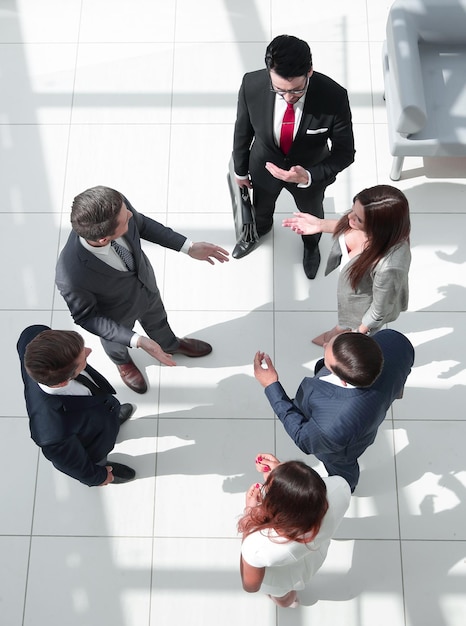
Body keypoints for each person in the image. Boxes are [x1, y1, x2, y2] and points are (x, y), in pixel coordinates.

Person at [55, 185, 229, 394]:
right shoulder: (71, 275)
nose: (130, 212)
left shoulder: (117, 205)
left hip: (146, 285)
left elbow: (142, 223)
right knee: (116, 345)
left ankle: (170, 344)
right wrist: (137, 340)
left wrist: (188, 247)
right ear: (103, 239)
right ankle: (123, 362)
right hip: (115, 316)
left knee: (159, 320)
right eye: (125, 217)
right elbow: (86, 317)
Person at [232, 34, 355, 277]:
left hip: (309, 175)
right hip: (263, 167)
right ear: (269, 73)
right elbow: (242, 130)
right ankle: (258, 232)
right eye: (280, 91)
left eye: (297, 91)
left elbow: (345, 152)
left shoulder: (334, 96)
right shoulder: (251, 84)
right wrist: (240, 169)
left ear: (310, 71)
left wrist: (308, 176)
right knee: (261, 209)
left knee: (312, 214)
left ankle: (311, 247)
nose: (289, 97)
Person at [253, 329, 415, 492]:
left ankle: (346, 488)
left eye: (327, 357)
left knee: (342, 471)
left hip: (343, 449)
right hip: (375, 407)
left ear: (343, 380)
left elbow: (304, 438)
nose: (324, 344)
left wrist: (271, 385)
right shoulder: (394, 341)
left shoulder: (330, 427)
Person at [283, 184, 411, 345]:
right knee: (343, 323)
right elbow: (346, 227)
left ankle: (336, 335)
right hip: (352, 295)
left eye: (358, 218)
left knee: (349, 329)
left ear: (378, 227)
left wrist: (357, 334)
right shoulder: (359, 223)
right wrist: (320, 225)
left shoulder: (390, 266)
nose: (349, 217)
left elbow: (378, 311)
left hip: (363, 307)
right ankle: (336, 332)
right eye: (352, 210)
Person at [17, 324, 136, 487]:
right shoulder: (53, 433)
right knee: (97, 459)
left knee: (109, 412)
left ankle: (112, 417)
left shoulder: (33, 336)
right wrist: (99, 477)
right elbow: (73, 464)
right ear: (65, 380)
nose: (88, 351)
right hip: (92, 442)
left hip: (99, 408)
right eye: (83, 358)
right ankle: (104, 467)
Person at [238, 453, 350, 608]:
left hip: (283, 578)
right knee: (288, 593)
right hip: (313, 557)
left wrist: (249, 513)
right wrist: (286, 476)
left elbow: (250, 586)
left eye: (267, 489)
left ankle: (287, 602)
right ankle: (290, 601)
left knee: (282, 595)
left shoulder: (258, 545)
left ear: (276, 510)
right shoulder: (340, 488)